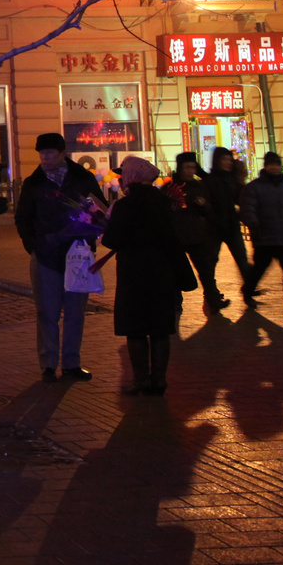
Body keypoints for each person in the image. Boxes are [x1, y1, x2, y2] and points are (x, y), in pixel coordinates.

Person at [14, 132, 107, 382]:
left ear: (62, 153)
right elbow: (23, 217)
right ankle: (48, 363)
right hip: (46, 256)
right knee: (47, 312)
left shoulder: (82, 178)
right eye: (41, 154)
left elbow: (99, 208)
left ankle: (71, 363)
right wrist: (34, 245)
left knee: (76, 311)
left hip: (77, 255)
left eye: (49, 153)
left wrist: (89, 233)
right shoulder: (34, 182)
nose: (44, 158)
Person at [103, 156, 189, 395]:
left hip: (134, 275)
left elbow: (110, 240)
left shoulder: (124, 206)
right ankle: (159, 380)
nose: (120, 180)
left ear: (132, 177)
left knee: (136, 329)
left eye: (123, 175)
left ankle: (141, 380)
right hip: (162, 274)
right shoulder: (165, 203)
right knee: (161, 329)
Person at [240, 152, 283, 314]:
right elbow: (248, 210)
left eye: (277, 164)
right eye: (272, 164)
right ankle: (247, 291)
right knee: (259, 270)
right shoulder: (255, 187)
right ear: (266, 166)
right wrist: (255, 226)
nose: (275, 168)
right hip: (265, 238)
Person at [164, 152, 229, 314]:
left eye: (193, 167)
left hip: (196, 235)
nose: (190, 171)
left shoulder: (200, 186)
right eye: (187, 167)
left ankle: (213, 300)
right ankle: (175, 303)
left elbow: (210, 211)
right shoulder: (169, 188)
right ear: (180, 168)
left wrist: (203, 205)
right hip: (176, 237)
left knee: (206, 271)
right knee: (174, 272)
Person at [204, 147, 252, 289]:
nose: (228, 163)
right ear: (217, 161)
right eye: (224, 159)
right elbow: (207, 204)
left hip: (231, 225)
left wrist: (241, 179)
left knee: (242, 258)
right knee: (211, 261)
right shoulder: (210, 180)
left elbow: (241, 200)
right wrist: (212, 218)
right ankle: (211, 293)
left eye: (229, 160)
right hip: (214, 228)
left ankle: (249, 289)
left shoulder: (233, 180)